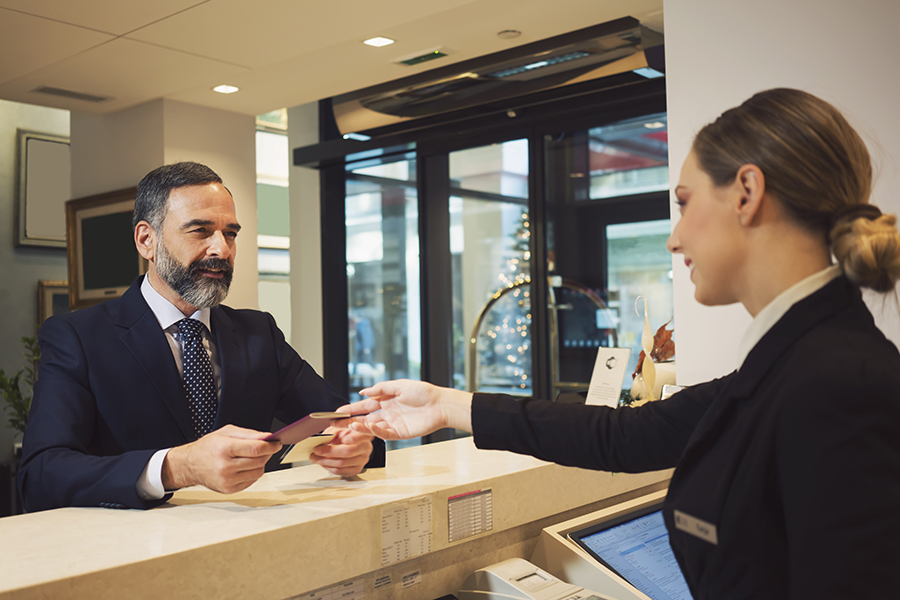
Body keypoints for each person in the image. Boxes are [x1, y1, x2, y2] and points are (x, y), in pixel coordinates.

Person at [339, 89, 900, 599]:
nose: (674, 237)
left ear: (747, 192)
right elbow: (626, 436)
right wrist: (444, 405)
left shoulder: (837, 380)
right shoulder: (794, 362)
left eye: (683, 201)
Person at [19, 162, 373, 512]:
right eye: (200, 231)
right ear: (147, 241)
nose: (222, 250)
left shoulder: (259, 333)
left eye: (230, 233)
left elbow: (337, 419)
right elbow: (40, 475)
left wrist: (354, 446)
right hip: (133, 555)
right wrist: (178, 467)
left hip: (251, 545)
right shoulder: (78, 337)